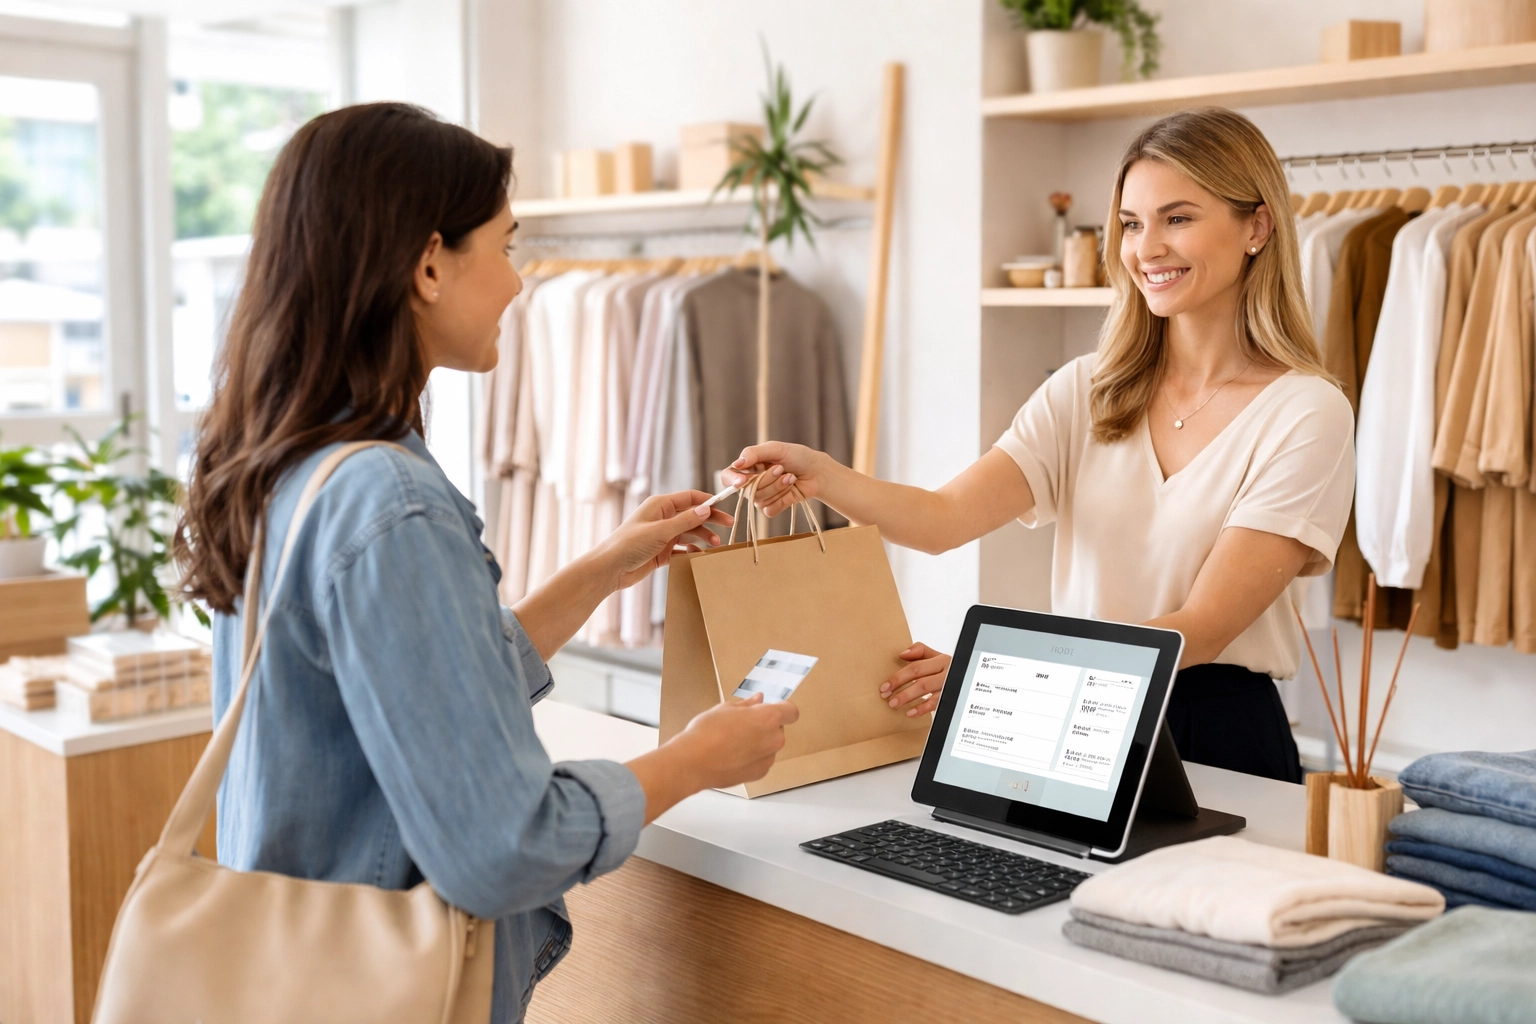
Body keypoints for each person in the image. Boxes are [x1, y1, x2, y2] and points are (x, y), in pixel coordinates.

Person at [174, 103, 798, 1023]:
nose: (518, 284)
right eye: (506, 247)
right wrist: (693, 760)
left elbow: (419, 687)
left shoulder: (292, 467)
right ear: (429, 263)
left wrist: (605, 566)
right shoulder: (390, 499)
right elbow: (505, 842)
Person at [727, 107, 1355, 784]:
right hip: (1070, 722)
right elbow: (944, 520)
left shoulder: (1305, 412)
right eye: (1131, 224)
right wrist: (823, 475)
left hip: (1208, 730)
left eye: (1178, 218)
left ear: (1257, 227)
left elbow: (1200, 628)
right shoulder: (1088, 390)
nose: (1146, 249)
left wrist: (995, 675)